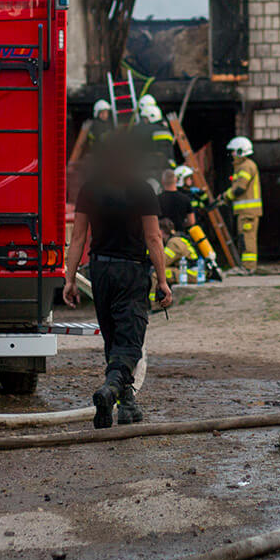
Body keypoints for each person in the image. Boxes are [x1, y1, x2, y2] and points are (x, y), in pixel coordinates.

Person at [62, 135, 169, 427]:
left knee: (112, 337)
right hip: (131, 271)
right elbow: (153, 237)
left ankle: (125, 403)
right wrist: (163, 280)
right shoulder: (142, 189)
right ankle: (110, 390)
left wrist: (70, 279)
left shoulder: (89, 189)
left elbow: (78, 237)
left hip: (100, 271)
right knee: (130, 338)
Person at [225, 136, 262, 272]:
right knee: (244, 238)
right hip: (245, 212)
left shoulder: (246, 166)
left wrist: (225, 196)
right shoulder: (243, 166)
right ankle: (246, 266)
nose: (233, 155)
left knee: (247, 239)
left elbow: (240, 187)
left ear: (241, 151)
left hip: (248, 212)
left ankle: (248, 267)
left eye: (234, 152)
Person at [137, 96, 179, 167]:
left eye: (145, 118)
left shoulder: (150, 129)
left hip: (157, 166)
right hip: (170, 164)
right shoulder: (164, 127)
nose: (144, 120)